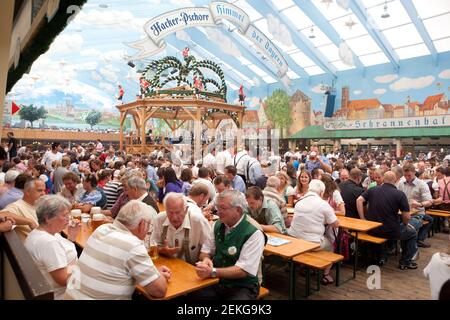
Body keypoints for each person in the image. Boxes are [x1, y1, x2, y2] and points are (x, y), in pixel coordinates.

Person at [65, 200, 171, 300]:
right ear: (142, 224)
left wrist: (151, 273)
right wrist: (159, 276)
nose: (149, 230)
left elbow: (115, 271)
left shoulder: (101, 230)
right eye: (149, 226)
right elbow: (159, 291)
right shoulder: (133, 245)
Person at [194, 190, 266, 300]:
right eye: (217, 207)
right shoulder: (218, 224)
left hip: (242, 285)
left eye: (223, 208)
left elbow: (243, 270)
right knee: (191, 295)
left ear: (238, 210)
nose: (218, 212)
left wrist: (212, 272)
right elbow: (205, 251)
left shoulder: (254, 232)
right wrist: (205, 260)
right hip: (217, 280)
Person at [356, 171, 418, 269]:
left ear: (383, 179)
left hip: (372, 229)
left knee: (390, 229)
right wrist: (405, 225)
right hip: (390, 231)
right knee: (412, 233)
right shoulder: (400, 194)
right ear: (396, 180)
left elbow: (359, 200)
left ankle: (384, 255)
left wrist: (363, 218)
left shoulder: (373, 189)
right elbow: (406, 216)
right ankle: (405, 262)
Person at [24, 195, 80, 300]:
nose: (69, 219)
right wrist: (84, 266)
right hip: (63, 295)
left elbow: (60, 255)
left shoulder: (40, 233)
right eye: (65, 215)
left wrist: (71, 237)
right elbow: (63, 280)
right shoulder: (49, 243)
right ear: (48, 218)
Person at [288, 179, 339, 285]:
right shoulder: (323, 204)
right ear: (321, 192)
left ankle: (306, 267)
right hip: (312, 243)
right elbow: (335, 224)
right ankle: (326, 275)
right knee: (330, 244)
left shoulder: (299, 201)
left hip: (294, 239)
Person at [151, 192, 210, 264]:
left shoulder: (199, 221)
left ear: (186, 210)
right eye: (170, 212)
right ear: (165, 209)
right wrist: (161, 250)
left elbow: (208, 247)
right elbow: (152, 243)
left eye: (178, 212)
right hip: (166, 264)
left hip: (192, 268)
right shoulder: (159, 219)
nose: (174, 217)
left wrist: (204, 259)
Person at [398, 163, 434, 248]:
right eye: (405, 175)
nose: (407, 178)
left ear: (414, 172)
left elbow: (429, 201)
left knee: (408, 228)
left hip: (417, 214)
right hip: (402, 213)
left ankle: (414, 245)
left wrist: (420, 204)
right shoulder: (401, 183)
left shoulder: (422, 184)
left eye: (409, 175)